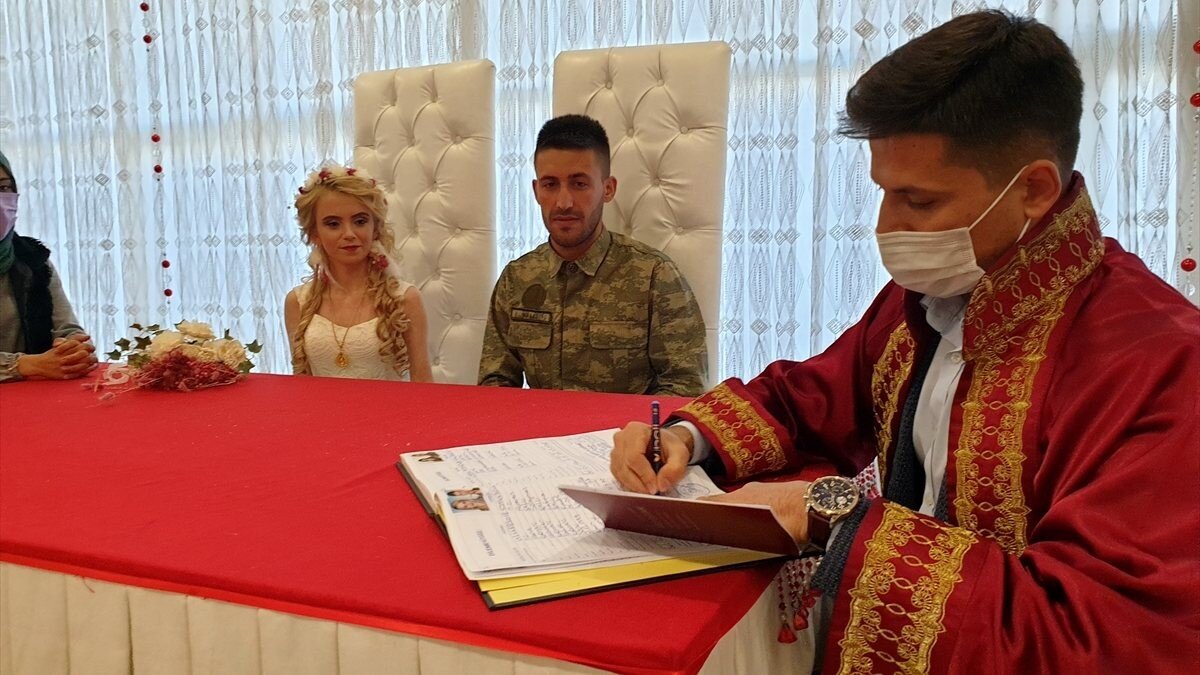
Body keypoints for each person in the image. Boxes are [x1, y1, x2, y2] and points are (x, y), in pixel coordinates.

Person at [610, 10, 1199, 672]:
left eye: (918, 202)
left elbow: (1100, 637)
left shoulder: (1160, 363)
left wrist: (828, 518)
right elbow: (810, 396)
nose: (887, 227)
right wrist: (686, 439)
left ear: (1034, 189)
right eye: (884, 193)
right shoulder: (933, 293)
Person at [478, 114, 707, 396]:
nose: (563, 202)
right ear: (536, 191)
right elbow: (494, 384)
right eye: (550, 184)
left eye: (579, 184)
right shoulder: (517, 279)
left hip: (626, 426)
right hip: (539, 425)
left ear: (607, 189)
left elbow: (685, 387)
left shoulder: (654, 276)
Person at [285, 165, 433, 382]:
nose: (349, 234)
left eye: (360, 221)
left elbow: (422, 379)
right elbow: (301, 381)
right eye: (333, 224)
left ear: (376, 227)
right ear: (314, 233)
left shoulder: (404, 299)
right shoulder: (298, 302)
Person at [0, 150, 97, 383]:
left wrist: (74, 350)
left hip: (33, 397)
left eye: (3, 188)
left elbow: (67, 328)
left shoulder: (31, 259)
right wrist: (25, 364)